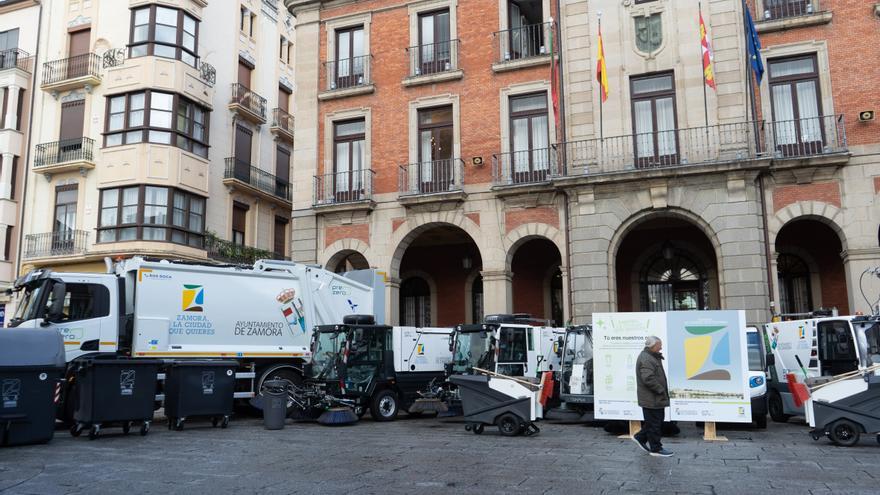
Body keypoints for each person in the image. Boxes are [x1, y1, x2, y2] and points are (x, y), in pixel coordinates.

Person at [632, 336, 673, 457]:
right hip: (652, 398)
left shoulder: (651, 356)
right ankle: (655, 449)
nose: (661, 347)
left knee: (654, 422)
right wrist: (660, 390)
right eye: (659, 345)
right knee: (654, 423)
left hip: (654, 398)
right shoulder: (646, 358)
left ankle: (640, 437)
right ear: (653, 346)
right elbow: (648, 378)